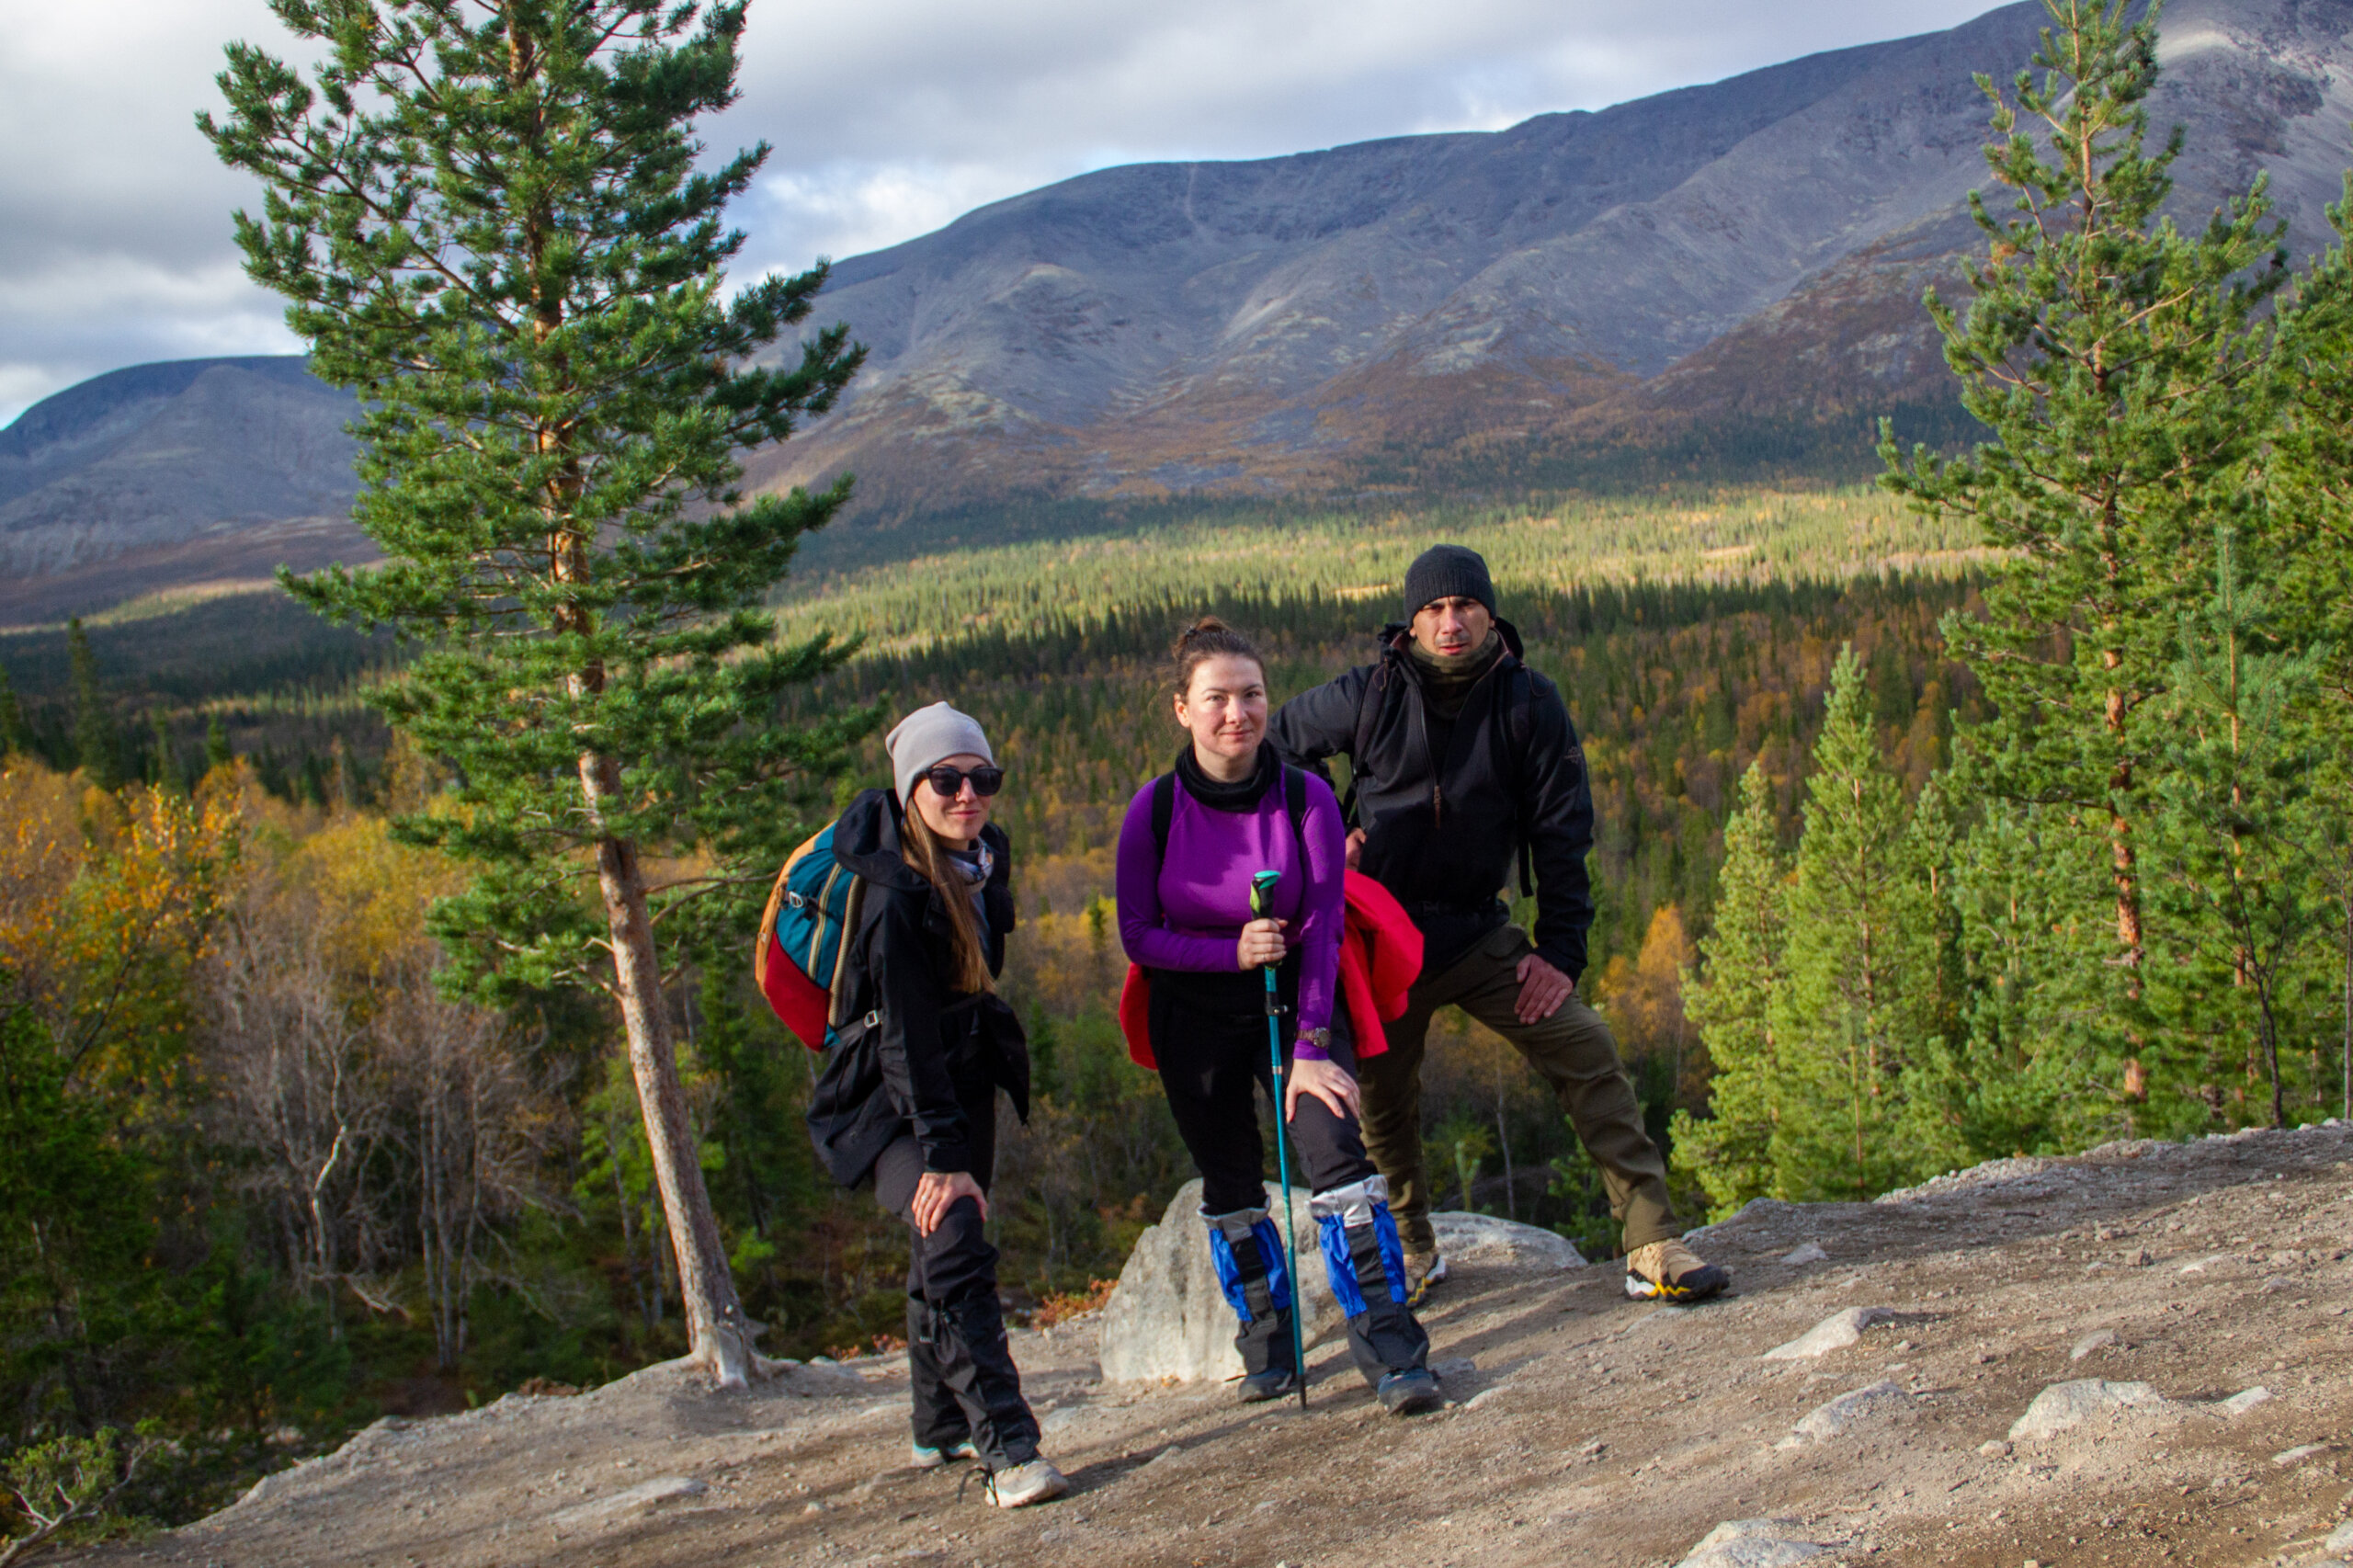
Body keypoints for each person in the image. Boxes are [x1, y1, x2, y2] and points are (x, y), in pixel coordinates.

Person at [1270, 546, 1729, 1306]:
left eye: (1464, 608)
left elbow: (1563, 834)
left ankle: (1650, 1239)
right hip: (1382, 937)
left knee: (1584, 1045)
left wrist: (1560, 952)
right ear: (1410, 621)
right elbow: (1278, 746)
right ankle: (1414, 1247)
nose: (1450, 624)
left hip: (1478, 932)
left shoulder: (1529, 704)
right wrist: (1321, 834)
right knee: (1381, 1098)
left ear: (1490, 613)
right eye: (1434, 611)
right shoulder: (1369, 692)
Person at [1115, 619, 1441, 1415]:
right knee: (1230, 1186)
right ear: (1181, 710)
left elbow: (1325, 924)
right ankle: (1267, 1341)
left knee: (1337, 1163)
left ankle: (1392, 1347)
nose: (1238, 714)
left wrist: (1313, 1047)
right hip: (1192, 1020)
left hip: (1298, 1004)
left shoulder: (1307, 798)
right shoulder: (1153, 812)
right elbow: (1138, 935)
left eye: (1252, 695)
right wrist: (1227, 954)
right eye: (1217, 698)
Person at [804, 702, 1069, 1508]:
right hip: (891, 1096)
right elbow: (903, 1039)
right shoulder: (894, 896)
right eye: (946, 780)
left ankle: (936, 1425)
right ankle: (1009, 1449)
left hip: (960, 1074)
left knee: (943, 1246)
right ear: (910, 785)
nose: (967, 795)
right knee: (952, 1233)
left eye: (982, 778)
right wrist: (944, 1154)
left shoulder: (983, 857)